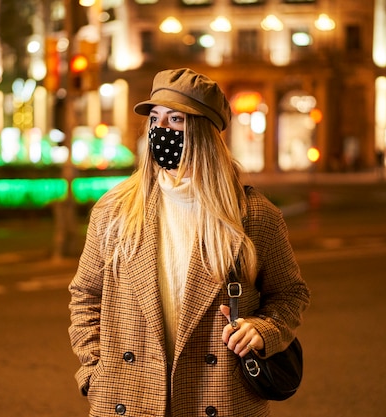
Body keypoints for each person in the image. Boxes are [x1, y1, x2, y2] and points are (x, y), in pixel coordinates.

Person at [68, 68, 310, 417]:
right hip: (128, 399)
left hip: (218, 398)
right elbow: (85, 297)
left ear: (202, 132)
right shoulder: (115, 211)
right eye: (155, 118)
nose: (160, 130)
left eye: (175, 119)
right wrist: (96, 373)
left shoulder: (253, 216)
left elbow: (290, 294)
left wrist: (263, 329)